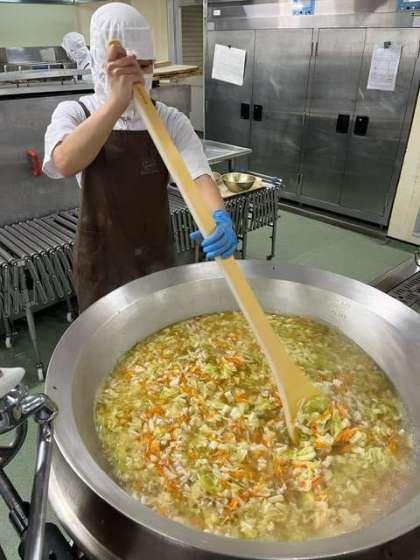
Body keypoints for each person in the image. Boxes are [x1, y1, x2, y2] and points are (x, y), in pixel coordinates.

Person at [43, 3, 237, 312]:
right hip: (101, 259)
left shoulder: (169, 120)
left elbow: (198, 176)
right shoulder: (76, 112)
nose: (137, 79)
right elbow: (65, 162)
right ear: (101, 66)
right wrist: (116, 104)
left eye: (145, 67)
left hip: (156, 253)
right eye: (125, 70)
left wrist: (218, 217)